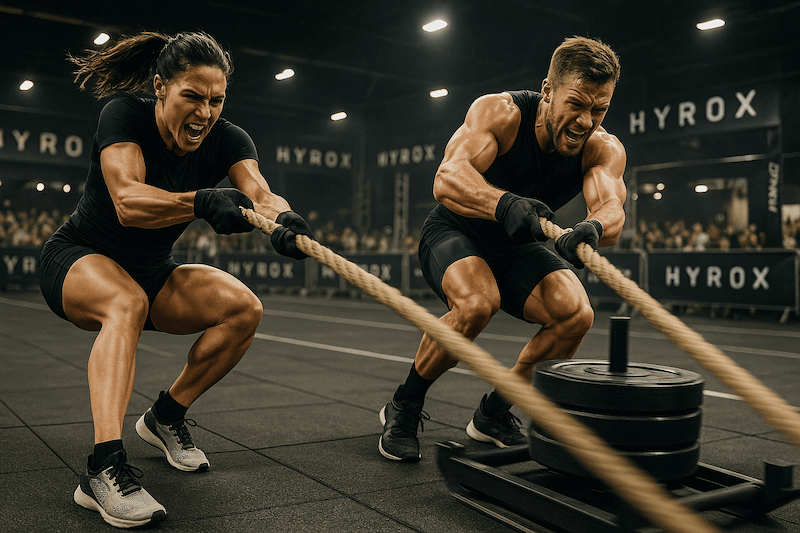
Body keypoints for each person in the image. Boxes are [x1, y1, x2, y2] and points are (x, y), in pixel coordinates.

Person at [37, 31, 313, 528]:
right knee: (125, 303)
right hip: (78, 258)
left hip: (151, 273)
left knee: (244, 309)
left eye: (216, 100)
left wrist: (284, 219)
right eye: (193, 96)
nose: (205, 113)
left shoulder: (229, 139)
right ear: (161, 87)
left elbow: (260, 191)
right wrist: (201, 201)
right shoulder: (124, 114)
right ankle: (101, 469)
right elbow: (127, 201)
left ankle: (165, 416)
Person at [378, 36, 626, 462]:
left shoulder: (603, 147)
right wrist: (503, 202)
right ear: (547, 91)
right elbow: (447, 179)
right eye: (577, 104)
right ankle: (405, 403)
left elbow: (611, 208)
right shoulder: (502, 113)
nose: (586, 121)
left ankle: (494, 413)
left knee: (576, 315)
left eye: (599, 109)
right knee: (477, 303)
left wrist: (592, 227)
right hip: (457, 229)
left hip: (516, 243)